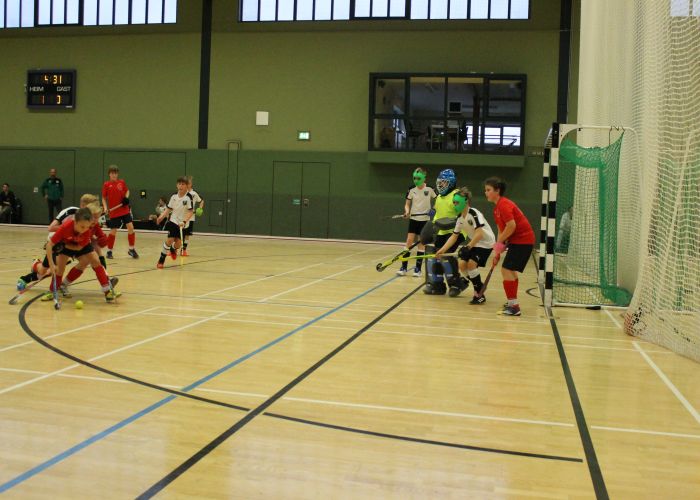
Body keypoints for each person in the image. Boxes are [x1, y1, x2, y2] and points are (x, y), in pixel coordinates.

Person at [484, 177, 536, 316]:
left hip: (523, 240)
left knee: (506, 270)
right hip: (518, 241)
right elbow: (501, 231)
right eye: (485, 190)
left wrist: (499, 243)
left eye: (488, 190)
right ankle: (513, 303)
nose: (486, 193)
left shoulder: (504, 205)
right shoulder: (497, 208)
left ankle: (514, 307)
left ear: (497, 191)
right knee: (510, 270)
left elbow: (511, 226)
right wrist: (497, 251)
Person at [45, 208, 119, 303]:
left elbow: (78, 248)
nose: (84, 230)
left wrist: (66, 245)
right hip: (65, 245)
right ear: (75, 222)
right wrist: (51, 265)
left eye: (87, 227)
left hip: (79, 245)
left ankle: (107, 292)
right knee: (60, 269)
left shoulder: (86, 230)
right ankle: (52, 291)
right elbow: (49, 245)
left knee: (96, 261)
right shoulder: (65, 227)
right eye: (82, 227)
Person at [435, 187, 495, 302]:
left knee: (471, 264)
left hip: (486, 243)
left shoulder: (474, 213)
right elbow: (454, 236)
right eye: (454, 202)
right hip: (476, 243)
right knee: (462, 265)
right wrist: (442, 250)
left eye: (457, 202)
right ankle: (479, 285)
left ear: (466, 201)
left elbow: (480, 234)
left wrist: (468, 247)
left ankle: (479, 294)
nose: (454, 205)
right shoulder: (459, 218)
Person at [424, 169, 462, 295]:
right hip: (442, 232)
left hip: (456, 232)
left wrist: (451, 223)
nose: (440, 185)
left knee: (446, 254)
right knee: (434, 254)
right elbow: (437, 215)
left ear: (451, 183)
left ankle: (456, 284)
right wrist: (432, 222)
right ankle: (437, 284)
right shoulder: (439, 197)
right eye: (439, 182)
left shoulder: (457, 196)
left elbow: (462, 215)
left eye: (444, 183)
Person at [397, 167, 436, 277]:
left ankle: (417, 269)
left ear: (424, 178)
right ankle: (403, 268)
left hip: (425, 220)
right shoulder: (411, 189)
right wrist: (407, 212)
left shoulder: (430, 189)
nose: (416, 180)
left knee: (421, 244)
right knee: (409, 242)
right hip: (414, 219)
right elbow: (407, 204)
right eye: (414, 178)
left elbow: (438, 200)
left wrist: (434, 209)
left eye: (418, 178)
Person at [155, 177, 194, 269]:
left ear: (186, 186)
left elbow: (190, 212)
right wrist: (161, 217)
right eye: (179, 184)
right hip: (173, 221)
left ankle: (173, 248)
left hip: (183, 224)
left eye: (183, 184)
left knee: (178, 244)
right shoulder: (173, 197)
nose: (181, 186)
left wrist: (184, 221)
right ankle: (161, 260)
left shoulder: (188, 197)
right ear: (177, 185)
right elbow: (168, 209)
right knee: (170, 240)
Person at [101, 165, 138, 259]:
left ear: (117, 174)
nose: (114, 175)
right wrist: (105, 208)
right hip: (114, 212)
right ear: (109, 174)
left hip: (124, 209)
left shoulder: (121, 182)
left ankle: (131, 249)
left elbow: (127, 191)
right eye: (112, 173)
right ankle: (109, 251)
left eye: (115, 173)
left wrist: (126, 197)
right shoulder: (106, 185)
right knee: (113, 231)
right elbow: (103, 198)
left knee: (131, 227)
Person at [182, 176, 204, 256]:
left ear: (191, 184)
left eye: (188, 183)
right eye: (186, 183)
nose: (187, 184)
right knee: (178, 234)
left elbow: (201, 201)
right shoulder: (182, 193)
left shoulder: (194, 194)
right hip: (181, 217)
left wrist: (200, 208)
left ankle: (184, 250)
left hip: (190, 217)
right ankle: (172, 249)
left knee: (187, 234)